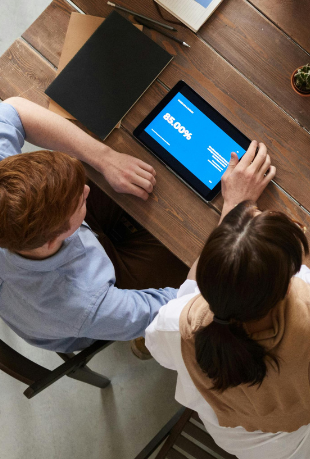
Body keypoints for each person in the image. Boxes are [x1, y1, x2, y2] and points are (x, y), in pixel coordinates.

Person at [145, 24, 310, 459]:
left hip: (250, 449)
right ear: (290, 280)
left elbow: (175, 317)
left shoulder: (180, 323)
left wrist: (231, 206)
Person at [0, 96, 185, 354]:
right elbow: (181, 310)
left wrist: (105, 158)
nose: (86, 189)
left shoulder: (4, 183)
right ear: (54, 240)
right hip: (83, 309)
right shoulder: (82, 305)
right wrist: (234, 213)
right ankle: (141, 343)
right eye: (79, 201)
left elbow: (13, 108)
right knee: (190, 261)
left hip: (40, 274)